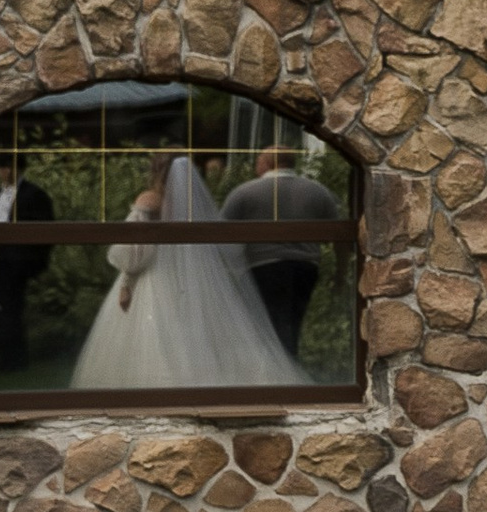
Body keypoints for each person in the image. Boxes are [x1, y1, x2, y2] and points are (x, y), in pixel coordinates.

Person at [71, 153, 310, 397]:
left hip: (157, 279)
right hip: (194, 281)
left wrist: (127, 282)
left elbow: (134, 251)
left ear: (156, 171)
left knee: (157, 337)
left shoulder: (151, 200)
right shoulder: (196, 204)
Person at [219, 143, 342, 360]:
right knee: (293, 325)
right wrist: (339, 275)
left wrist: (228, 271)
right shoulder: (318, 192)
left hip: (262, 268)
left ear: (266, 164)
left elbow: (218, 234)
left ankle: (276, 381)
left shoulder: (244, 193)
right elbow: (340, 234)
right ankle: (288, 372)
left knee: (265, 330)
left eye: (258, 162)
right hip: (305, 268)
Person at [0, 150, 53, 382]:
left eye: (10, 167)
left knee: (11, 310)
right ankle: (6, 357)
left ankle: (13, 360)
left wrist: (33, 263)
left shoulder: (34, 195)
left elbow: (45, 231)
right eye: (2, 167)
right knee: (0, 309)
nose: (6, 172)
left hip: (19, 262)